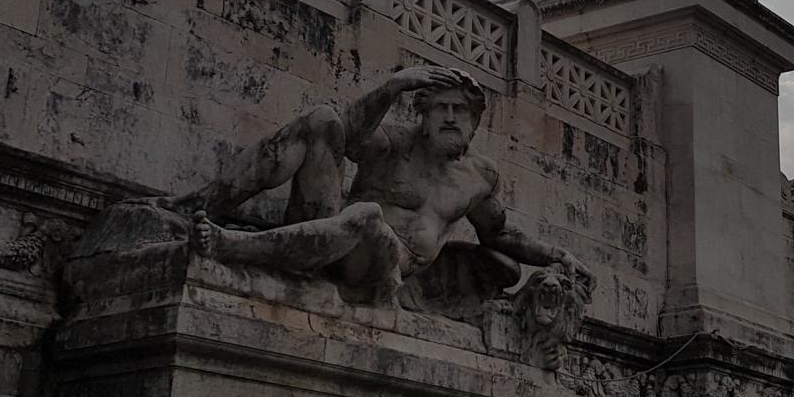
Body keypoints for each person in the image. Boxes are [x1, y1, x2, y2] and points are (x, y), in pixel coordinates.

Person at [164, 66, 591, 307]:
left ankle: (228, 245)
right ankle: (200, 205)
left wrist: (557, 254)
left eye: (460, 111)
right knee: (321, 120)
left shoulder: (479, 177)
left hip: (380, 266)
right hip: (325, 234)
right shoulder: (395, 144)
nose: (449, 117)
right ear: (422, 116)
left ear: (475, 122)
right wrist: (390, 89)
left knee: (368, 217)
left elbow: (498, 233)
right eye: (439, 108)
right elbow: (347, 134)